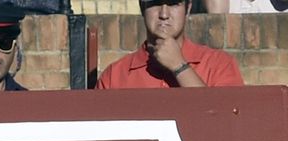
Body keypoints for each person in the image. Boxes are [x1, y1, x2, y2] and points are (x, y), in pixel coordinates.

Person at [95, 0, 244, 90]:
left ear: (188, 7)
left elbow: (226, 123)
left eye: (173, 3)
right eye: (155, 3)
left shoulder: (220, 65)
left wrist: (179, 66)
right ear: (142, 7)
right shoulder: (114, 75)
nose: (164, 14)